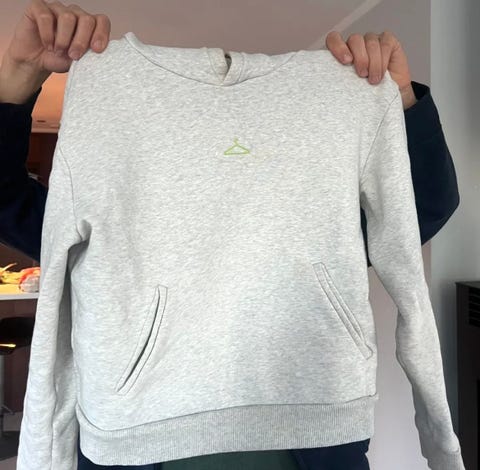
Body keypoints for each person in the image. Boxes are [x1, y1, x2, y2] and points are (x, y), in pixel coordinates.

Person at [0, 1, 459, 469]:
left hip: (315, 425)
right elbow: (11, 205)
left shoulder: (332, 105)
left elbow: (420, 209)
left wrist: (400, 98)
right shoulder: (110, 97)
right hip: (134, 432)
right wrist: (18, 77)